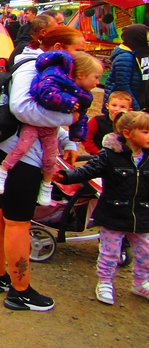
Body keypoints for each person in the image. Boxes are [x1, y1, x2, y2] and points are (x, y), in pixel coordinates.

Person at [0, 25, 85, 311]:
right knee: (18, 222)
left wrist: (66, 139)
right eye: (79, 48)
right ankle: (20, 291)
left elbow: (36, 116)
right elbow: (23, 108)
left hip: (10, 149)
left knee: (1, 214)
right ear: (61, 48)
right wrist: (68, 117)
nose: (82, 54)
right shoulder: (34, 66)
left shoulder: (35, 63)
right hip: (20, 156)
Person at [53, 111, 149, 305]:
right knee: (110, 252)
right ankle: (105, 282)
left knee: (145, 251)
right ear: (129, 133)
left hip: (142, 214)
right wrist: (66, 176)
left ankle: (140, 282)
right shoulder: (110, 156)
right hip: (113, 213)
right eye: (146, 132)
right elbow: (88, 170)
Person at [0, 51, 102, 206]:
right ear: (81, 75)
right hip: (33, 125)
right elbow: (43, 96)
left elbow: (81, 116)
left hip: (49, 129)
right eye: (96, 77)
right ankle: (2, 171)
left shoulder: (82, 94)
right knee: (22, 147)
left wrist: (75, 137)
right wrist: (68, 110)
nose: (98, 82)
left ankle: (47, 185)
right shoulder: (56, 77)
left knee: (50, 158)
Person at [101, 23, 147, 113]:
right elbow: (123, 85)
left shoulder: (136, 53)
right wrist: (136, 109)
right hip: (121, 107)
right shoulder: (125, 57)